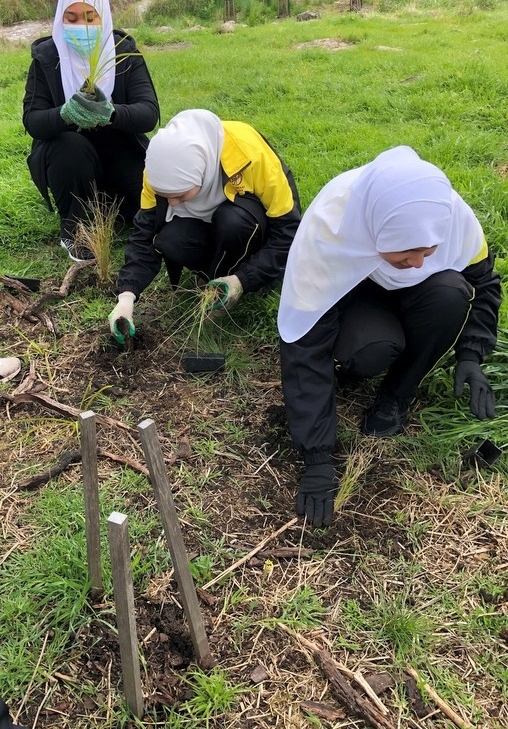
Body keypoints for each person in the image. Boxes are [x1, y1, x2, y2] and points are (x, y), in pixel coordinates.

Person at [278, 146, 501, 528]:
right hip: (359, 294)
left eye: (427, 251)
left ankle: (396, 396)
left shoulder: (450, 215)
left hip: (421, 300)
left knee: (451, 292)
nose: (418, 264)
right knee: (371, 351)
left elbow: (484, 284)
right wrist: (317, 457)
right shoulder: (329, 228)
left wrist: (471, 354)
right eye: (405, 254)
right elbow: (305, 343)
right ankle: (354, 366)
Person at [108, 108, 301, 343]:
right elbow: (145, 235)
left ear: (201, 172)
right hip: (208, 226)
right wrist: (126, 298)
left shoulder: (249, 153)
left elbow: (287, 231)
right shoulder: (157, 169)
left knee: (233, 223)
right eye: (165, 195)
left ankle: (230, 280)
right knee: (170, 239)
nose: (171, 203)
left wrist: (243, 280)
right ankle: (210, 279)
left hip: (248, 227)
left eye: (180, 195)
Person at [22, 0, 160, 262]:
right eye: (70, 19)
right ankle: (75, 229)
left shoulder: (124, 54)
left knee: (149, 215)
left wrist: (111, 113)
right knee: (70, 147)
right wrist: (64, 114)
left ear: (104, 16)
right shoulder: (47, 58)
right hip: (69, 157)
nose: (80, 27)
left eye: (89, 17)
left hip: (119, 149)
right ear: (61, 20)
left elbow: (149, 113)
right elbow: (33, 121)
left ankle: (108, 205)